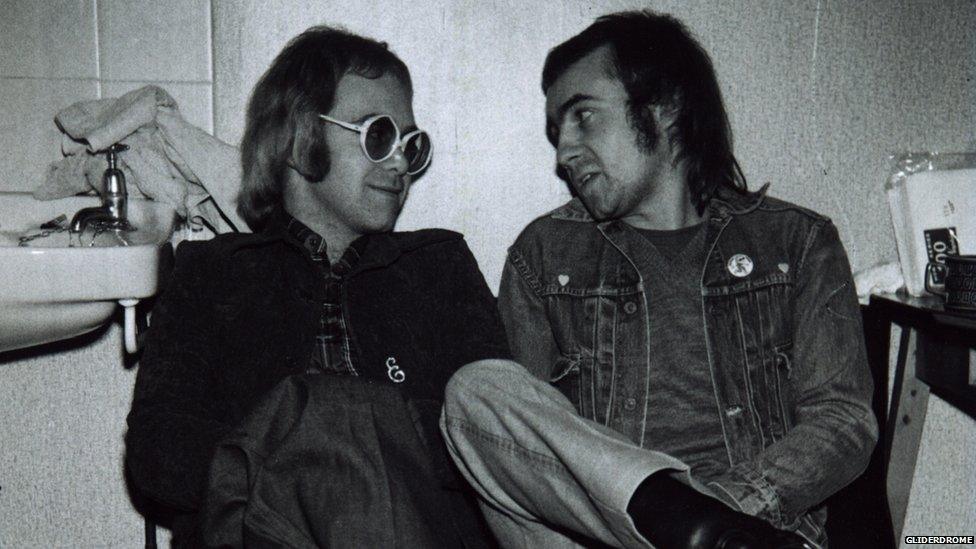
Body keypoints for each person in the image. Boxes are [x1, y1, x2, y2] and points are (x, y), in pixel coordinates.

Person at [441, 10, 877, 549]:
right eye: (557, 132)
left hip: (758, 531)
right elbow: (522, 449)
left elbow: (844, 421)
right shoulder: (543, 254)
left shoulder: (796, 243)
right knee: (474, 394)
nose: (564, 153)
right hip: (599, 538)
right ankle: (685, 527)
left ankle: (707, 533)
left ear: (665, 106)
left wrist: (730, 505)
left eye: (584, 117)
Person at [125, 26, 510, 547]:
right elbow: (156, 455)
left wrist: (359, 434)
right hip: (258, 532)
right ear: (301, 137)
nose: (399, 164)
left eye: (411, 145)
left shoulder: (436, 265)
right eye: (378, 135)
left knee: (346, 414)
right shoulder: (213, 273)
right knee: (324, 412)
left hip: (420, 527)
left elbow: (493, 437)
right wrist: (303, 444)